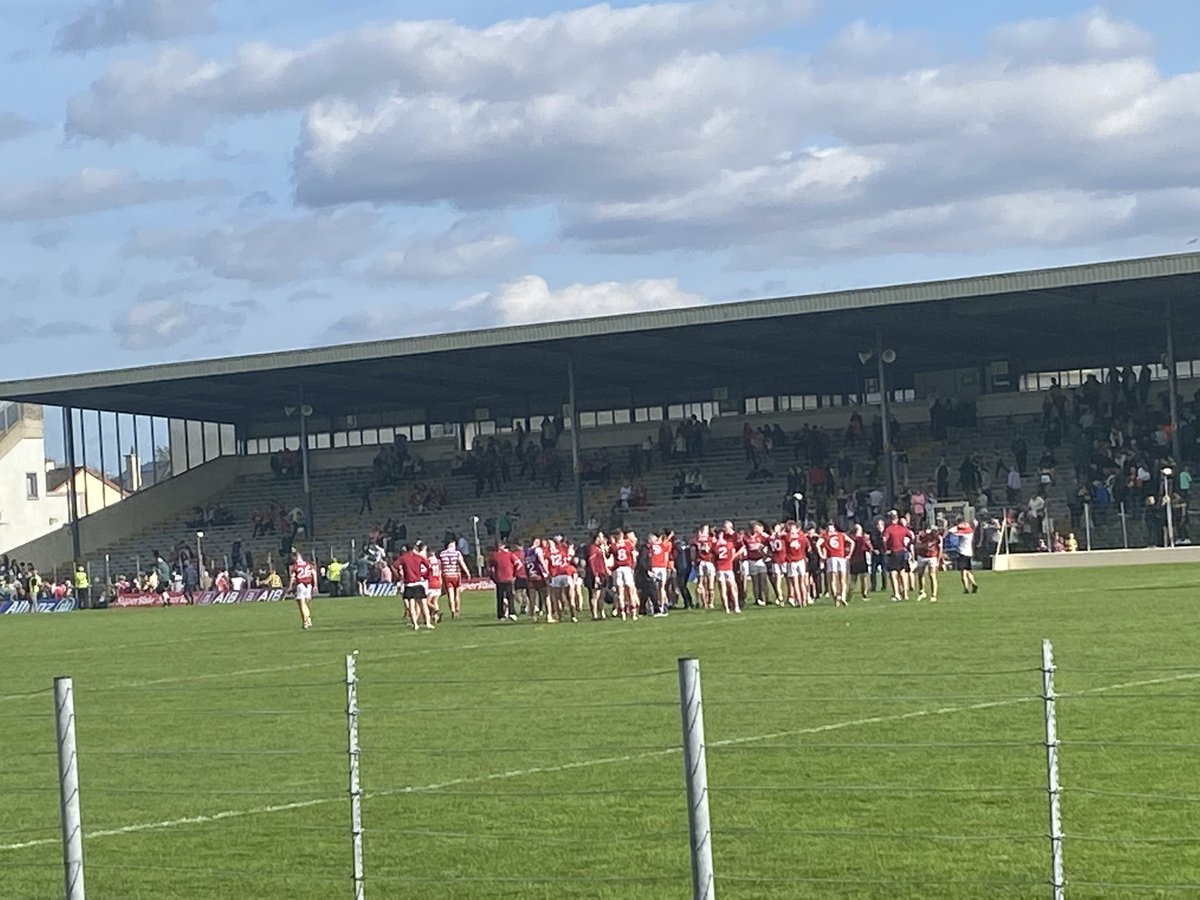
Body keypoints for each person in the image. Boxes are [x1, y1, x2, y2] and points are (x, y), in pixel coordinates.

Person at [398, 542, 435, 630]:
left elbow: (394, 565)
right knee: (423, 604)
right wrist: (426, 576)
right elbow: (429, 566)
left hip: (409, 584)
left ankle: (415, 624)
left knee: (411, 604)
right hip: (418, 582)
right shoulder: (418, 557)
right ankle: (428, 623)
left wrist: (398, 575)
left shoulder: (404, 558)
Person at [438, 539, 470, 619]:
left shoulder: (442, 554)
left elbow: (440, 566)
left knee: (450, 595)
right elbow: (462, 563)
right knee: (457, 595)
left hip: (446, 575)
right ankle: (457, 610)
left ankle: (452, 609)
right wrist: (467, 572)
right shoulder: (457, 553)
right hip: (456, 575)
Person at [488, 541, 519, 622]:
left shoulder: (494, 556)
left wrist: (493, 577)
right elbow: (518, 564)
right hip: (508, 578)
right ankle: (512, 613)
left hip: (500, 579)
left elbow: (490, 569)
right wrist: (514, 574)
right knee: (510, 596)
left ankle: (501, 614)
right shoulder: (509, 554)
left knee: (500, 597)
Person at [287, 550, 317, 630]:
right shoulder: (308, 564)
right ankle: (309, 619)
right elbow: (314, 574)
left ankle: (305, 621)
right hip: (309, 585)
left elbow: (293, 577)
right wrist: (315, 585)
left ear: (296, 557)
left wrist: (290, 587)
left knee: (302, 604)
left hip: (301, 584)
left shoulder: (295, 566)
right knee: (305, 604)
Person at [914, 524, 942, 602]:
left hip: (932, 556)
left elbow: (940, 548)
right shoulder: (922, 535)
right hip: (922, 555)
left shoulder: (938, 537)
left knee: (932, 575)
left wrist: (938, 560)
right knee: (920, 574)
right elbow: (916, 546)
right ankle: (922, 591)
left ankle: (934, 595)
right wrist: (924, 546)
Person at [952, 517, 980, 594]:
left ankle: (966, 588)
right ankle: (974, 583)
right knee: (968, 570)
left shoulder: (962, 534)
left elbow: (952, 531)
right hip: (969, 553)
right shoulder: (970, 532)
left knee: (963, 572)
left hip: (962, 553)